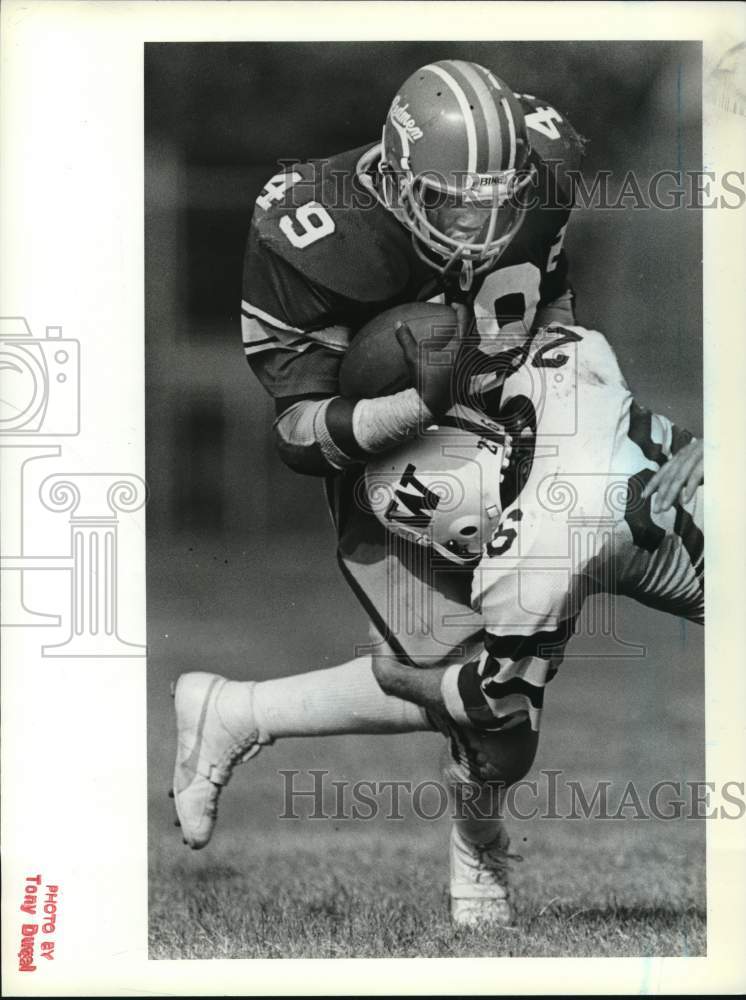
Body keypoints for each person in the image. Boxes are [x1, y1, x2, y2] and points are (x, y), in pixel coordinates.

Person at [172, 60, 699, 928]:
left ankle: (234, 711)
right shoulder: (307, 224)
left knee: (508, 674)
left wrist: (551, 417)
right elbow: (300, 432)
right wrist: (422, 397)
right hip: (395, 440)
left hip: (512, 386)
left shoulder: (545, 159)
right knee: (488, 694)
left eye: (502, 200)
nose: (485, 225)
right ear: (396, 177)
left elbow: (549, 296)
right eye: (459, 204)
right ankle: (457, 837)